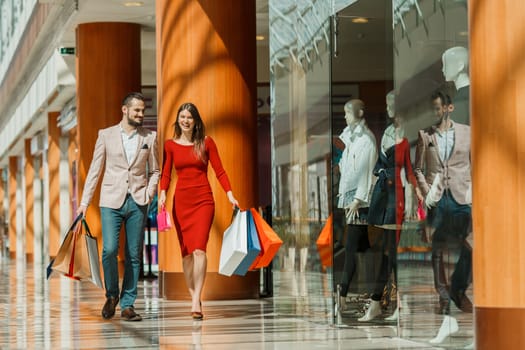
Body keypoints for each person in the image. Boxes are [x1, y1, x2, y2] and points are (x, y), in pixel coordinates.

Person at [77, 92, 160, 322]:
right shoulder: (106, 135)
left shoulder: (150, 137)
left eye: (143, 111)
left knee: (134, 254)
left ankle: (128, 304)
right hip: (111, 201)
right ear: (124, 110)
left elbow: (155, 170)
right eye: (137, 110)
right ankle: (112, 294)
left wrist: (149, 193)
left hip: (138, 201)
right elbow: (95, 171)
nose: (141, 114)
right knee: (110, 250)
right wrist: (84, 202)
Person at [159, 102, 238, 320]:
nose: (185, 120)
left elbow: (220, 171)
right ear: (178, 120)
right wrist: (163, 193)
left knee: (199, 250)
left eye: (189, 117)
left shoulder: (206, 143)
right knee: (186, 255)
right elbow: (166, 174)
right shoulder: (170, 145)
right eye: (182, 117)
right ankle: (193, 294)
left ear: (196, 122)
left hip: (203, 201)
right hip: (181, 203)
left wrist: (230, 194)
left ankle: (196, 300)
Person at [361, 91, 423, 322]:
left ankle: (380, 302)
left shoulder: (410, 135)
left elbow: (410, 170)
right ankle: (388, 303)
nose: (387, 107)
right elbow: (379, 164)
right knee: (389, 253)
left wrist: (410, 201)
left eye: (391, 103)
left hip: (399, 198)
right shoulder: (388, 133)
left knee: (392, 253)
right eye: (386, 103)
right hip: (385, 197)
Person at [414, 90, 473, 318]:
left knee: (471, 244)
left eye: (439, 108)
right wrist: (426, 192)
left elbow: (473, 163)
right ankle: (443, 296)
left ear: (449, 108)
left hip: (461, 196)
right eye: (433, 109)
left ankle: (457, 288)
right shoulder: (425, 135)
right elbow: (417, 168)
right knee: (437, 247)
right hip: (437, 198)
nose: (435, 112)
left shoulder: (467, 133)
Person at [336, 99, 377, 310]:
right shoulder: (351, 138)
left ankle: (343, 294)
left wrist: (358, 199)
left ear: (359, 113)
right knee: (362, 248)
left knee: (353, 247)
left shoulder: (366, 140)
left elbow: (366, 173)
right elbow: (346, 168)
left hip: (358, 202)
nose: (345, 117)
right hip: (350, 198)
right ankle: (376, 292)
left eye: (348, 113)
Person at [442, 46, 470, 125]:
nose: (443, 69)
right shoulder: (474, 92)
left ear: (460, 66)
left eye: (446, 65)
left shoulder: (461, 100)